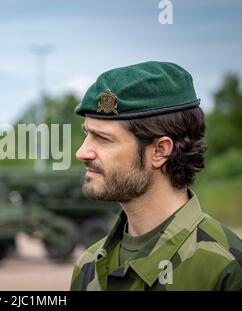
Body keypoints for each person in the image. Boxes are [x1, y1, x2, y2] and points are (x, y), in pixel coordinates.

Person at [70, 61, 242, 291]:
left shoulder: (226, 269)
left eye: (103, 139)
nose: (81, 152)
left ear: (159, 151)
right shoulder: (89, 266)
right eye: (87, 134)